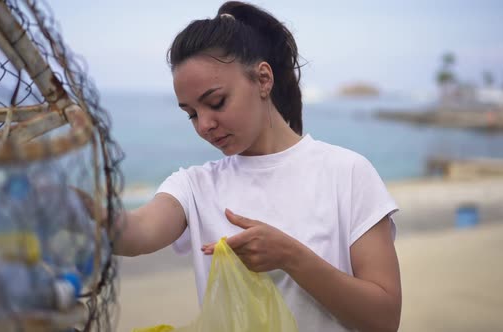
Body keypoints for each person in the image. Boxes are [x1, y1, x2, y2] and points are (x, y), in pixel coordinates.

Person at [111, 2, 401, 331]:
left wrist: (290, 257)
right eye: (191, 113)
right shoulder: (194, 186)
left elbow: (385, 318)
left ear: (263, 79)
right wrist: (79, 210)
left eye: (216, 102)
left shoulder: (347, 173)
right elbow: (134, 233)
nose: (204, 124)